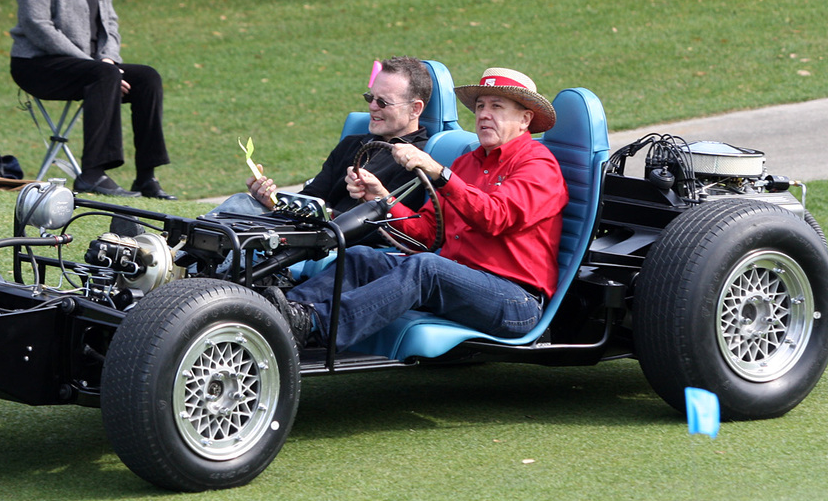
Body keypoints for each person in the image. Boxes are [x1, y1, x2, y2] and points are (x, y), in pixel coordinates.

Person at [276, 67, 568, 351]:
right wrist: (381, 199)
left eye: (497, 106)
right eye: (480, 106)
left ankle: (313, 323)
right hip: (459, 282)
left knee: (426, 268)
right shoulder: (467, 163)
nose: (484, 115)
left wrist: (441, 175)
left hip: (517, 302)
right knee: (361, 258)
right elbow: (427, 233)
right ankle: (281, 314)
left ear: (525, 119)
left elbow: (494, 217)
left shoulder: (538, 165)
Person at [9, 0, 172, 199]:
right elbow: (36, 25)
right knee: (104, 75)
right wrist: (97, 67)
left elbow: (109, 21)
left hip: (92, 66)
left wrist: (109, 59)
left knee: (148, 78)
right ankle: (92, 174)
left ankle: (146, 177)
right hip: (37, 64)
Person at [217, 56, 434, 219]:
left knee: (240, 212)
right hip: (311, 230)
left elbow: (392, 225)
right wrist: (272, 201)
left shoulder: (418, 158)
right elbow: (312, 196)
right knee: (241, 203)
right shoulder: (353, 144)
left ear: (415, 109)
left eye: (383, 102)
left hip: (342, 243)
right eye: (370, 97)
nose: (372, 107)